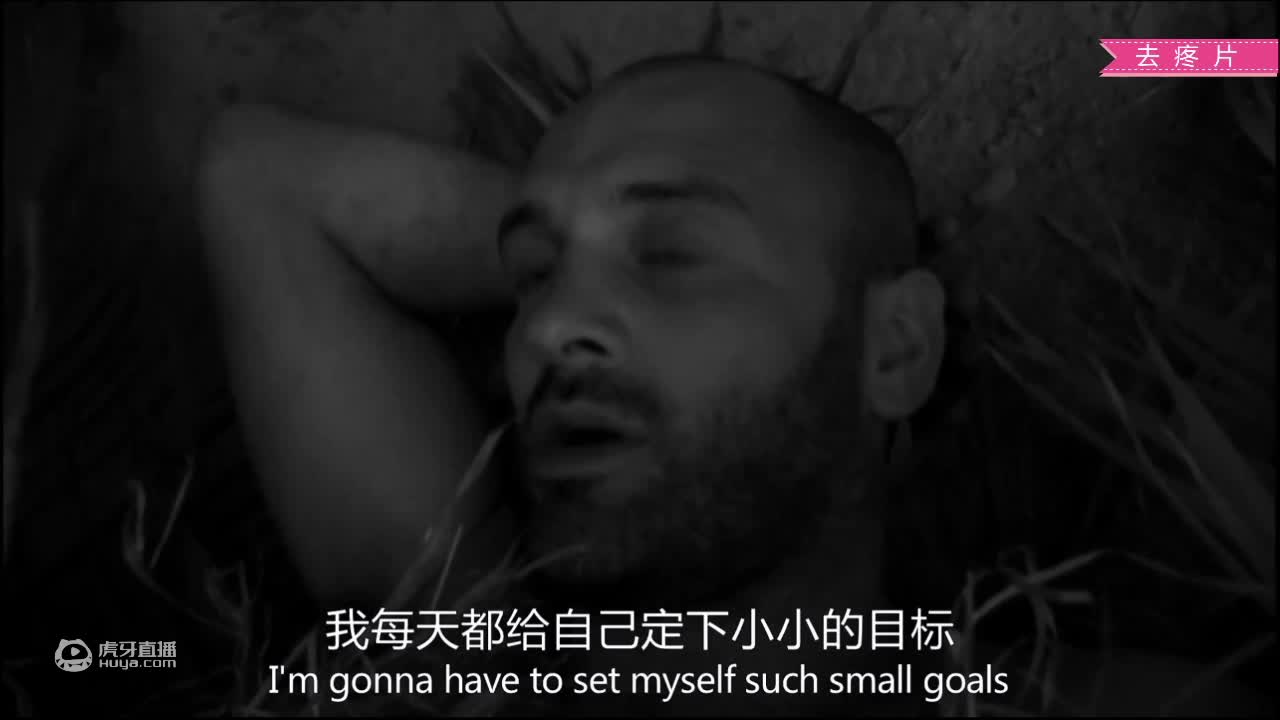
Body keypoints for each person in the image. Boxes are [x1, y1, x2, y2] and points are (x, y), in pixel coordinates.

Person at [196, 54, 1267, 717]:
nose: (548, 328)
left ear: (897, 350)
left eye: (671, 253)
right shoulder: (474, 670)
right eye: (530, 277)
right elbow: (261, 179)